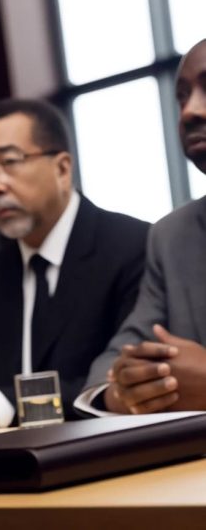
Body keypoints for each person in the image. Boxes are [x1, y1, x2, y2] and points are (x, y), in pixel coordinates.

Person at [0, 98, 149, 434]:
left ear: (63, 168)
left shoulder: (133, 247)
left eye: (9, 162)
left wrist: (3, 405)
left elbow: (124, 383)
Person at [78, 38, 206, 416]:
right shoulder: (171, 236)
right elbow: (112, 368)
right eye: (182, 96)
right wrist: (128, 393)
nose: (189, 112)